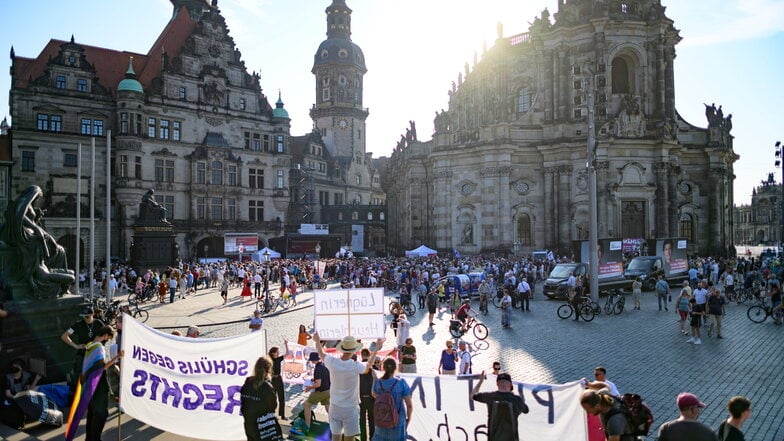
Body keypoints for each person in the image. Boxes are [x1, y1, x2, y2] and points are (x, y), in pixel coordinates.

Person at [312, 332, 383, 441]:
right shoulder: (355, 366)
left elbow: (321, 353)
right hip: (350, 408)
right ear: (354, 351)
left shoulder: (332, 362)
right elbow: (369, 365)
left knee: (335, 437)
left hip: (335, 405)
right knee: (349, 439)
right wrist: (377, 347)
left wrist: (317, 341)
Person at [67, 325, 124, 441]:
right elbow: (102, 367)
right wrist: (117, 357)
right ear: (106, 335)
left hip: (88, 385)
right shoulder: (99, 348)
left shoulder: (89, 345)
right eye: (108, 337)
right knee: (101, 414)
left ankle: (89, 439)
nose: (107, 340)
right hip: (99, 386)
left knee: (92, 413)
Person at [61, 306, 105, 404]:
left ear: (93, 314)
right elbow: (64, 336)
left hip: (96, 355)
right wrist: (75, 346)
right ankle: (79, 398)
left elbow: (107, 334)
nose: (85, 319)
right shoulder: (78, 325)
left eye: (87, 317)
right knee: (80, 377)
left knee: (96, 376)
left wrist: (97, 343)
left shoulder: (98, 323)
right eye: (84, 317)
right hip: (83, 355)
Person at [472, 371, 529, 441]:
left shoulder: (490, 396)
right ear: (510, 384)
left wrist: (480, 381)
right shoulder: (517, 400)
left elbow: (472, 396)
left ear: (497, 384)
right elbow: (526, 410)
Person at [240, 356, 284, 441]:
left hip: (249, 422)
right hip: (263, 425)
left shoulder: (248, 382)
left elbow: (243, 402)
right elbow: (273, 406)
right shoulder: (267, 387)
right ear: (269, 370)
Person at [371, 357, 413, 441]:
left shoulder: (378, 382)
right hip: (398, 422)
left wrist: (374, 379)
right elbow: (409, 405)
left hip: (381, 421)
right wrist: (408, 420)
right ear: (395, 368)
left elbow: (374, 394)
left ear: (383, 368)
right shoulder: (401, 382)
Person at [1, 358, 41, 429]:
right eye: (14, 366)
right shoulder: (7, 377)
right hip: (12, 398)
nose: (15, 368)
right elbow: (8, 394)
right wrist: (16, 398)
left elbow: (29, 390)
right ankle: (18, 422)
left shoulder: (26, 376)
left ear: (21, 368)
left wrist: (36, 380)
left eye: (17, 366)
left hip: (23, 395)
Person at [302, 351, 330, 432]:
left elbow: (318, 384)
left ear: (313, 360)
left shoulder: (317, 368)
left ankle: (307, 426)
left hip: (321, 391)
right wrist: (314, 379)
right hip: (328, 390)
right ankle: (335, 425)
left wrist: (309, 387)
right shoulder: (324, 365)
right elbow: (324, 378)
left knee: (306, 405)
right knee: (328, 408)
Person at [359, 348, 376, 441]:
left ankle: (363, 438)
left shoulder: (358, 367)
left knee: (361, 420)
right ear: (369, 355)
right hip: (371, 397)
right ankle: (372, 438)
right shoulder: (373, 368)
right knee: (372, 419)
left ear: (361, 355)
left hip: (360, 396)